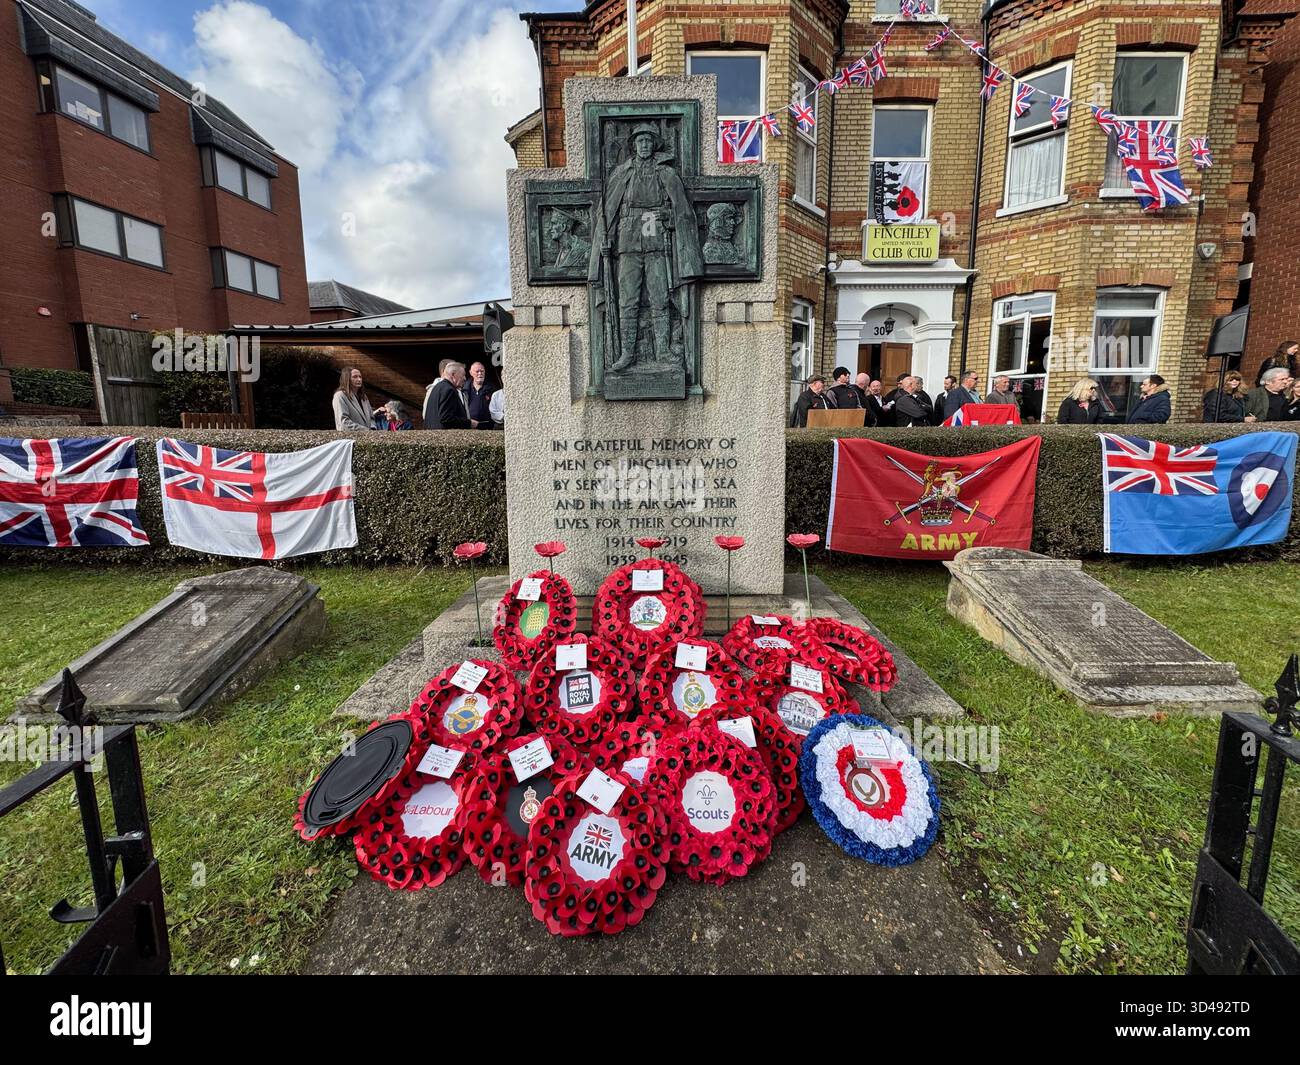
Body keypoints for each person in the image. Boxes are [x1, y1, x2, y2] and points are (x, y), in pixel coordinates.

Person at [423, 361, 473, 430]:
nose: (465, 378)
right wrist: (469, 423)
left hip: (432, 435)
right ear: (453, 375)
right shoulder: (449, 390)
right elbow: (446, 419)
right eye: (463, 375)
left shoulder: (437, 387)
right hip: (443, 437)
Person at [333, 367, 376, 431]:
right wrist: (366, 430)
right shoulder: (340, 395)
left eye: (360, 377)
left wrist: (372, 428)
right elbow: (343, 422)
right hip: (349, 438)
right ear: (347, 379)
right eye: (355, 377)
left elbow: (371, 417)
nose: (359, 379)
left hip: (368, 437)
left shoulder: (364, 397)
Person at [462, 361, 496, 430]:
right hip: (469, 426)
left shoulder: (492, 389)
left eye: (482, 371)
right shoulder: (464, 388)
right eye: (477, 371)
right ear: (471, 373)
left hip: (487, 426)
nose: (480, 373)